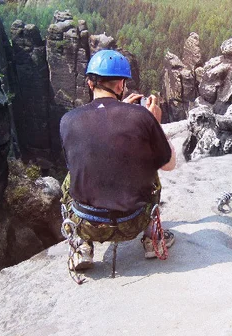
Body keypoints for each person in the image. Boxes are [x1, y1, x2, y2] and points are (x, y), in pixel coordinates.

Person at [60, 49, 177, 271]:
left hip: (88, 224)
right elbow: (170, 165)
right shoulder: (142, 117)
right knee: (151, 170)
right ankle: (152, 238)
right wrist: (153, 124)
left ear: (89, 83)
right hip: (134, 222)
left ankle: (81, 244)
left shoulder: (67, 120)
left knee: (69, 178)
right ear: (121, 85)